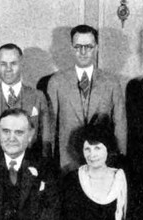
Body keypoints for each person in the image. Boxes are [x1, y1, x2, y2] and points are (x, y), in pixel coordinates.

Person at [47, 24, 127, 173]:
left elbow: (120, 124)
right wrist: (48, 163)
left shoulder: (111, 82)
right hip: (68, 162)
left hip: (103, 163)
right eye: (78, 47)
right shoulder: (56, 82)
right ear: (71, 48)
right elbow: (50, 128)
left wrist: (119, 161)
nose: (83, 52)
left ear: (96, 47)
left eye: (88, 47)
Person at [0, 43, 51, 156]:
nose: (8, 69)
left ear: (22, 64)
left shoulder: (38, 97)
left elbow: (46, 141)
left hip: (29, 166)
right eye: (3, 64)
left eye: (13, 63)